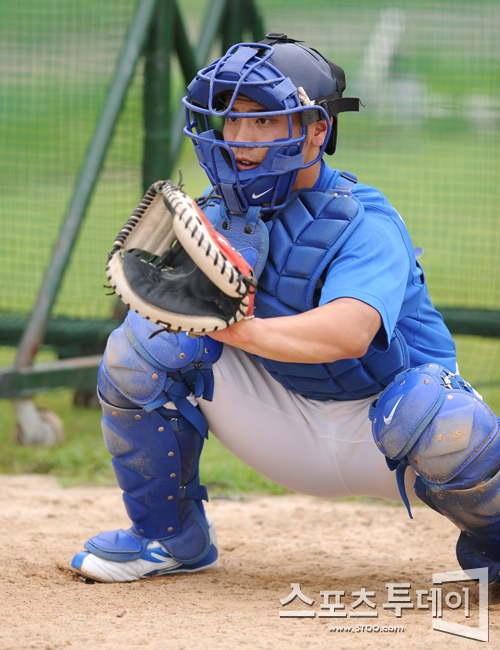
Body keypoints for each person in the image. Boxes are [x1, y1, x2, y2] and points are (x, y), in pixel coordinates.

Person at [71, 34, 500, 584]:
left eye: (264, 120)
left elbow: (349, 333)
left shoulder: (363, 221)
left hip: (390, 434)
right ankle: (168, 536)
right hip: (280, 419)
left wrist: (234, 328)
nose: (241, 138)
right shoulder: (214, 215)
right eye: (230, 120)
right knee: (141, 346)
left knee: (432, 413)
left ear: (317, 130)